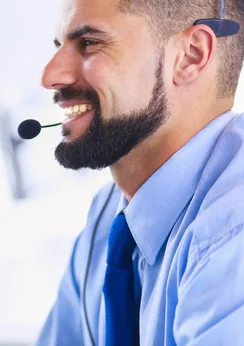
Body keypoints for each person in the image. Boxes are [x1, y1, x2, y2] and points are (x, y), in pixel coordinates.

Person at [36, 0, 244, 344]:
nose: (50, 76)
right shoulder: (106, 221)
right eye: (60, 46)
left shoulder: (230, 231)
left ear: (190, 55)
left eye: (89, 43)